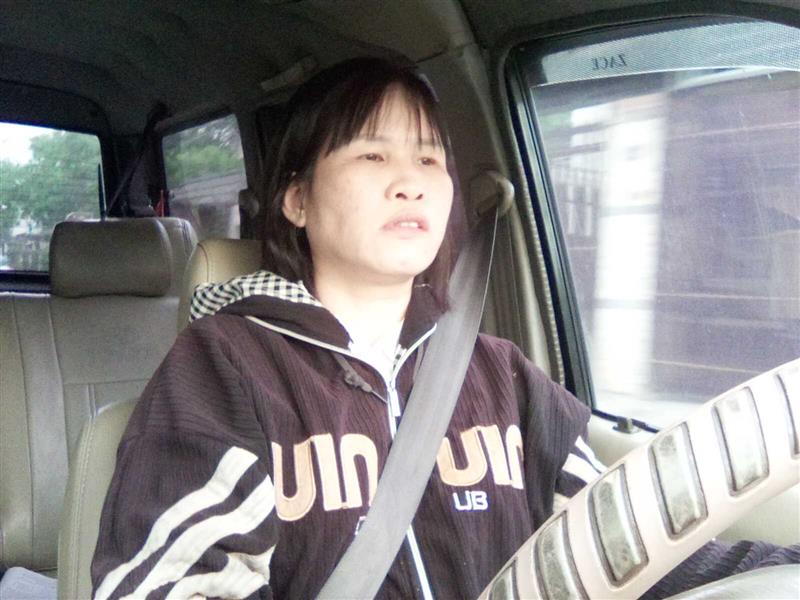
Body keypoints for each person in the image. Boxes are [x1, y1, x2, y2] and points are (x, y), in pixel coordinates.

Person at [90, 57, 798, 600]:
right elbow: (172, 585)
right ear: (298, 199)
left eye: (429, 158)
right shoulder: (226, 365)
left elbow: (628, 534)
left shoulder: (498, 371)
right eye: (372, 155)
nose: (412, 181)